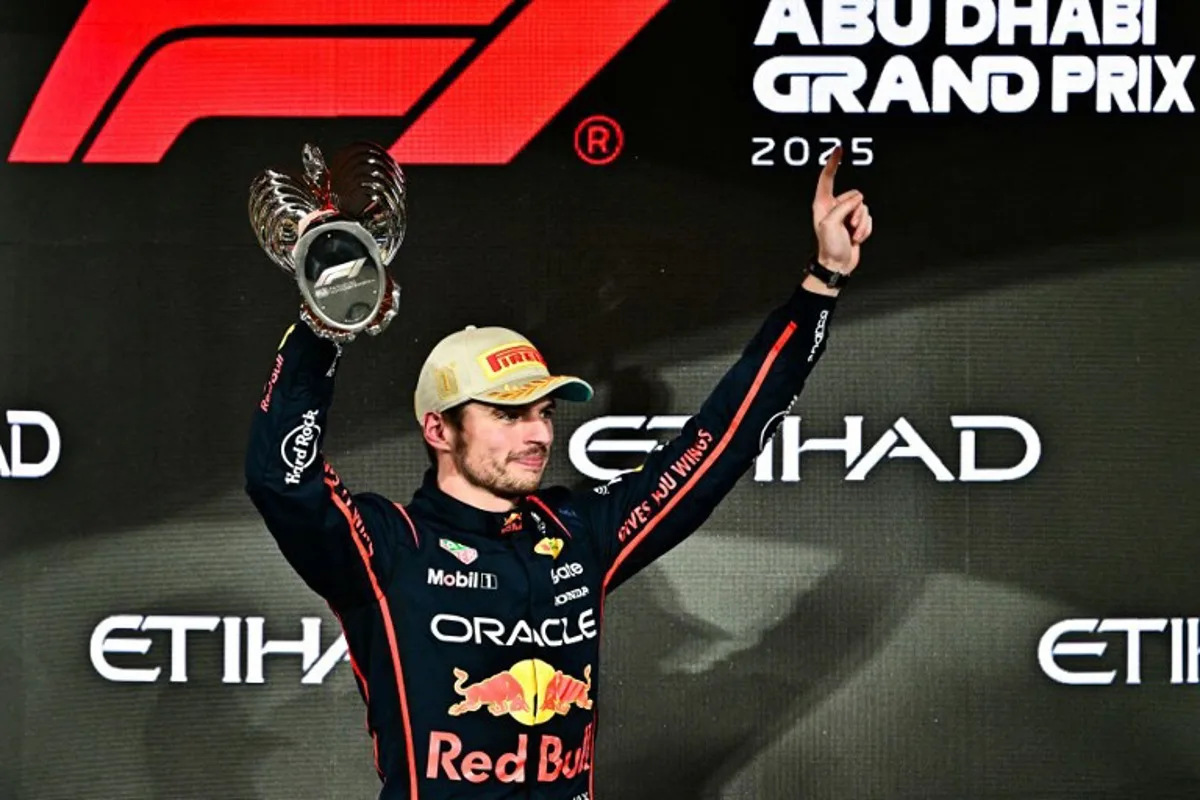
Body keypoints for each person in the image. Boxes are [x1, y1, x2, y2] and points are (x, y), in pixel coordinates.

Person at [244, 148, 873, 800]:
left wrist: (822, 282)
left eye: (543, 412)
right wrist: (324, 329)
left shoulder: (578, 534)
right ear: (439, 430)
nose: (540, 433)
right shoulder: (386, 549)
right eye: (509, 415)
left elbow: (722, 442)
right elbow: (281, 480)